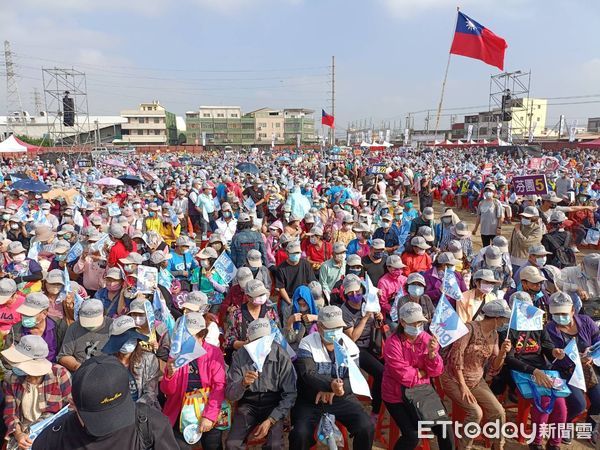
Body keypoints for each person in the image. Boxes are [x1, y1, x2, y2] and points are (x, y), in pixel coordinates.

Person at [32, 354, 178, 449]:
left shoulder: (151, 426)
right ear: (72, 404)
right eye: (101, 418)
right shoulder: (54, 440)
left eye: (117, 411)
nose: (113, 425)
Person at [290, 305, 374, 450]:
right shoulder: (307, 343)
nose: (335, 332)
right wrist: (331, 385)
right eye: (330, 327)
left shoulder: (350, 346)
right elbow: (307, 374)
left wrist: (337, 390)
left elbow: (354, 378)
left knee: (366, 426)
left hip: (342, 398)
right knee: (300, 434)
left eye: (338, 327)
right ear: (320, 326)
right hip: (311, 399)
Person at [441, 299, 511, 450]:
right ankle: (463, 447)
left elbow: (494, 365)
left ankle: (497, 445)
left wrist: (503, 353)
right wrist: (463, 386)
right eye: (504, 318)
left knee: (498, 411)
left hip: (477, 380)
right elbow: (456, 358)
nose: (505, 322)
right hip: (454, 379)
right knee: (475, 412)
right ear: (496, 318)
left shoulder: (494, 335)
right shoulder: (469, 329)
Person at [382, 303, 452, 450]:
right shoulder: (392, 343)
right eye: (412, 322)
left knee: (445, 428)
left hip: (422, 392)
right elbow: (402, 375)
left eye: (419, 322)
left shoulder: (427, 339)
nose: (416, 326)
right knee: (412, 435)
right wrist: (422, 372)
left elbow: (436, 371)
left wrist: (432, 355)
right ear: (402, 322)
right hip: (396, 395)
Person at [226, 318, 297, 449]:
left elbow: (290, 393)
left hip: (273, 404)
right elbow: (230, 395)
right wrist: (243, 384)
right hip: (248, 404)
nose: (262, 344)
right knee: (232, 444)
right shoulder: (240, 356)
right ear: (249, 340)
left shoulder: (281, 354)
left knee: (274, 445)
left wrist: (272, 419)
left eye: (265, 339)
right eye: (257, 341)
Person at [161, 312, 227, 450]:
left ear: (201, 335)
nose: (186, 339)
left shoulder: (214, 353)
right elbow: (167, 390)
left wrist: (209, 416)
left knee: (213, 443)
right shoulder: (177, 353)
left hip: (209, 406)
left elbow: (219, 385)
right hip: (181, 408)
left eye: (190, 336)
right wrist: (170, 375)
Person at [2, 335, 72, 450]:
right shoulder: (12, 379)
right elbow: (10, 413)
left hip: (53, 432)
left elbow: (70, 409)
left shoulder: (60, 375)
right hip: (24, 432)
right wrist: (19, 434)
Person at [545, 292, 600, 435]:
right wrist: (555, 353)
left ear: (573, 310)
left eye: (564, 313)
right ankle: (563, 425)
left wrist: (592, 353)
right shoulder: (549, 329)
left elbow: (597, 339)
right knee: (578, 405)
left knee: (598, 399)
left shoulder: (586, 321)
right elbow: (547, 353)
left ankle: (591, 428)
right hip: (564, 372)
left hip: (588, 369)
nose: (560, 317)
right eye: (556, 314)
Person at [340, 275, 384, 419]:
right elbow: (352, 337)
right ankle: (375, 410)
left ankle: (386, 398)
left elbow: (378, 326)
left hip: (373, 342)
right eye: (351, 293)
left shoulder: (368, 301)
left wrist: (378, 318)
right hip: (357, 348)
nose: (355, 295)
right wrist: (365, 318)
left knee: (391, 369)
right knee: (381, 372)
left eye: (357, 291)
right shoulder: (345, 311)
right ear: (346, 294)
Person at [101, 315, 160, 409]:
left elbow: (150, 393)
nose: (128, 342)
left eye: (132, 338)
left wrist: (134, 410)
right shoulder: (105, 363)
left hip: (143, 410)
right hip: (115, 411)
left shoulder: (149, 360)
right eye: (124, 339)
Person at [7, 292, 66, 363]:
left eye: (30, 315)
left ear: (44, 314)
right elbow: (7, 361)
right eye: (23, 313)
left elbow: (64, 354)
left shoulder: (59, 326)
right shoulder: (16, 329)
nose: (25, 317)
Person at [225, 279, 279, 355]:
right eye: (257, 295)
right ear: (248, 297)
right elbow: (229, 340)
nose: (261, 297)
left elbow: (277, 334)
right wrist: (245, 344)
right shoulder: (237, 314)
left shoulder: (270, 311)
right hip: (245, 357)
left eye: (262, 294)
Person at [57, 299, 111, 372]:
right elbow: (64, 356)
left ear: (103, 314)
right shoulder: (74, 327)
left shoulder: (112, 326)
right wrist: (79, 368)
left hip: (108, 370)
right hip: (81, 371)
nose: (91, 326)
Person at [275, 241, 316, 325]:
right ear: (287, 253)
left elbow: (312, 282)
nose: (296, 255)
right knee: (285, 310)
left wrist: (307, 299)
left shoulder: (305, 264)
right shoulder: (281, 268)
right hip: (289, 298)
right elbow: (281, 288)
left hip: (305, 296)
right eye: (293, 253)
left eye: (298, 253)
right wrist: (290, 302)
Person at [509, 206, 543, 272]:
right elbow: (511, 243)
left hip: (526, 262)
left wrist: (518, 232)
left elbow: (526, 243)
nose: (525, 219)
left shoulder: (537, 229)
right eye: (524, 217)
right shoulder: (519, 226)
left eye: (528, 217)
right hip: (513, 260)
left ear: (535, 218)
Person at [377, 255, 407, 320]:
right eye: (396, 268)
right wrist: (395, 311)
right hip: (390, 313)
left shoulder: (404, 279)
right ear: (388, 267)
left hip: (405, 309)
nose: (399, 270)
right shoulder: (383, 282)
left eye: (400, 268)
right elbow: (383, 303)